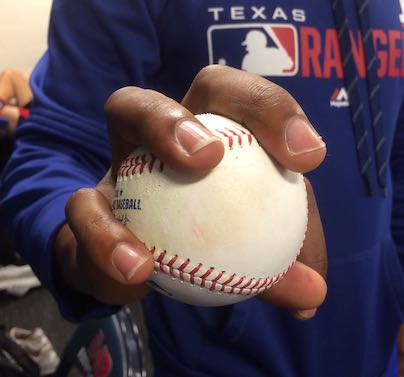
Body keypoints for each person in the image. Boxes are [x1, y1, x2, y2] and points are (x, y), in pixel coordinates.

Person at [0, 1, 403, 376]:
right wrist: (74, 246)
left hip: (375, 339)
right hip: (216, 355)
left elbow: (395, 163)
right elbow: (51, 147)